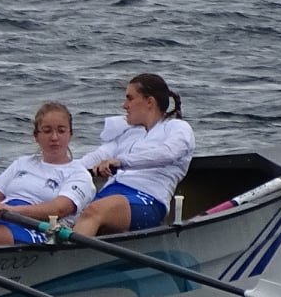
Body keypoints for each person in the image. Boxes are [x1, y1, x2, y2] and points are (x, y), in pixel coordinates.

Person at [0, 102, 96, 249]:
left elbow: (58, 210)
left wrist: (13, 211)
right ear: (36, 136)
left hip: (43, 230)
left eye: (61, 131)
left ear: (70, 135)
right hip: (2, 219)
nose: (54, 137)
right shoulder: (22, 163)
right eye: (47, 131)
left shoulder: (79, 174)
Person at [71, 73, 195, 236]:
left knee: (92, 212)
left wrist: (121, 162)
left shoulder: (178, 127)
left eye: (130, 98)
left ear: (149, 102)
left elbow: (168, 153)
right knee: (66, 212)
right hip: (110, 194)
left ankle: (67, 257)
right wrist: (63, 170)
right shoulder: (128, 133)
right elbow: (96, 157)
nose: (124, 105)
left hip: (148, 199)